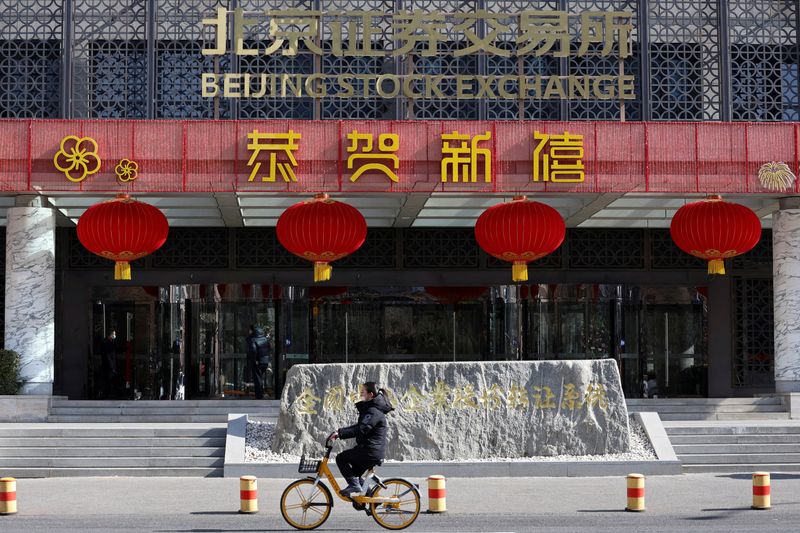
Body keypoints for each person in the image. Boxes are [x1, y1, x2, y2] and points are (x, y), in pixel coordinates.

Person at [329, 382, 394, 497]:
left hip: (370, 451)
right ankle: (370, 497)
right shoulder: (372, 409)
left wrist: (340, 434)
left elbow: (361, 429)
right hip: (370, 450)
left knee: (341, 458)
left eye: (363, 392)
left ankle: (354, 486)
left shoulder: (373, 411)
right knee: (354, 475)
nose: (361, 394)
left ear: (371, 394)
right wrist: (339, 432)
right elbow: (360, 426)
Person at [246, 325, 270, 400]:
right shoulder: (265, 339)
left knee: (257, 379)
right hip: (265, 361)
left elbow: (253, 350)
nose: (248, 332)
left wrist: (254, 360)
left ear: (253, 331)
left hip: (257, 361)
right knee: (260, 378)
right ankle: (260, 394)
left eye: (249, 330)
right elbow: (269, 348)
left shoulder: (253, 339)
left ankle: (259, 396)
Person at [99, 330, 117, 399]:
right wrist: (112, 367)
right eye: (113, 334)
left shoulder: (111, 342)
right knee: (108, 382)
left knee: (109, 382)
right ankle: (106, 396)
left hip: (110, 366)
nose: (114, 335)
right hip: (108, 367)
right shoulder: (106, 343)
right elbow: (108, 356)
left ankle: (108, 395)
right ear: (110, 335)